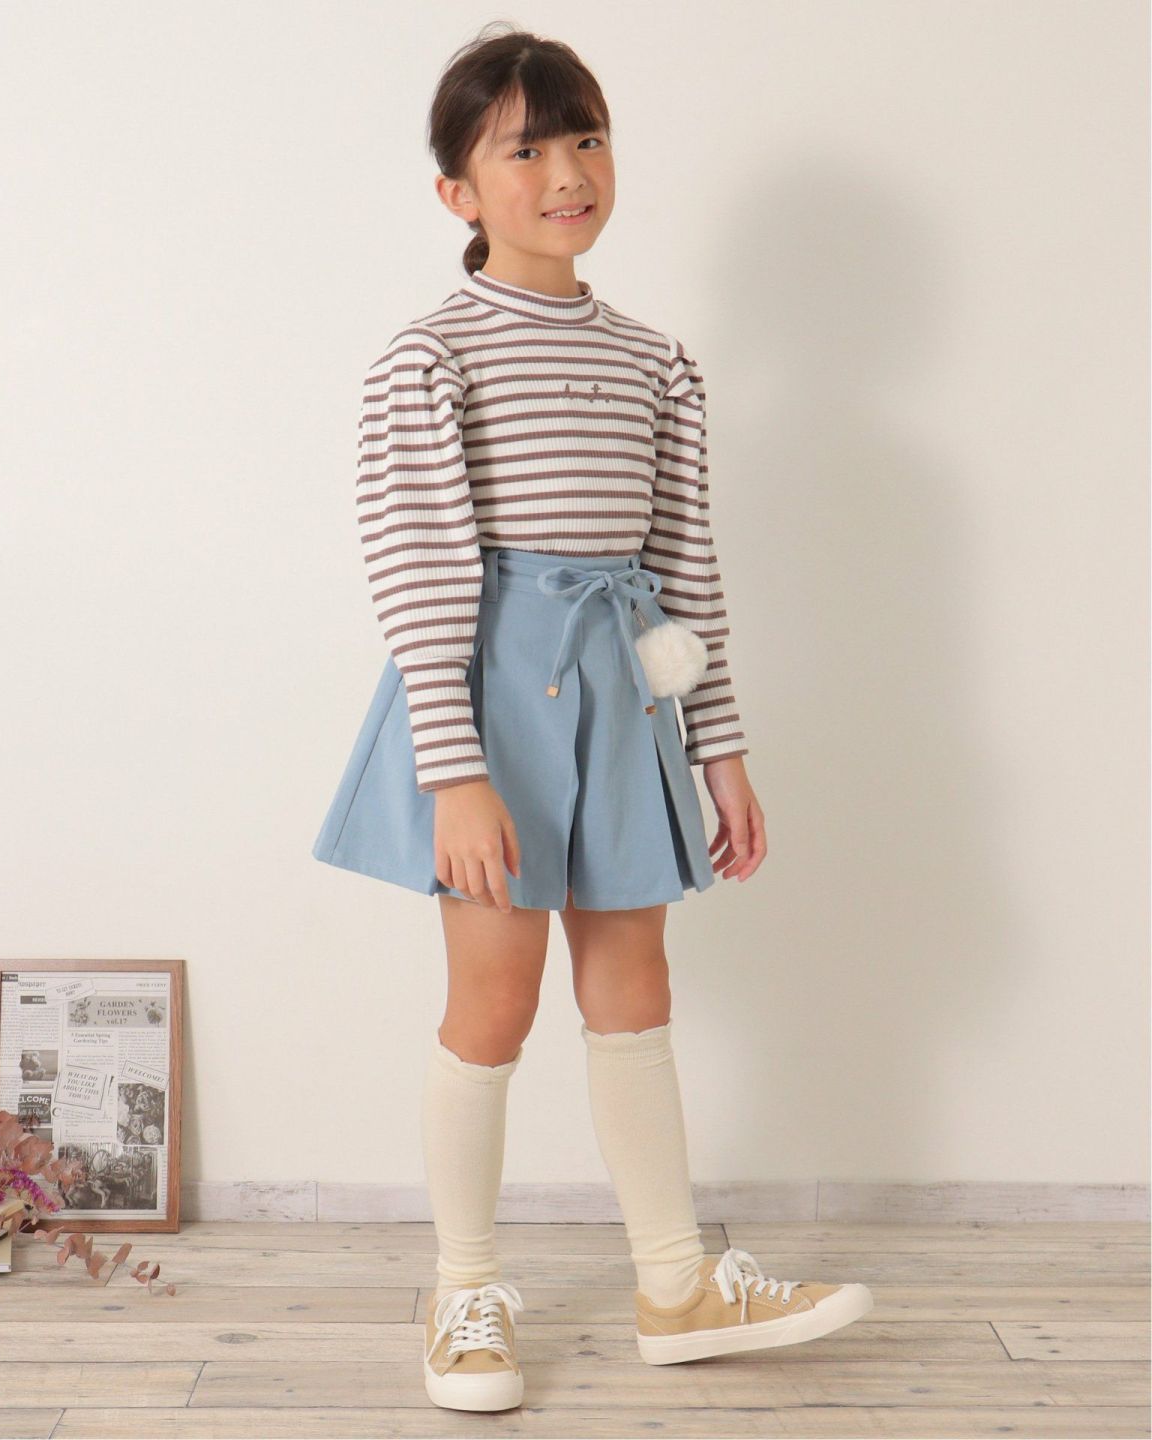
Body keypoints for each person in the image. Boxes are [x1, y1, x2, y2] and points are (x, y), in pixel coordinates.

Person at [312, 24, 873, 1414]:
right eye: (527, 149)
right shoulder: (428, 357)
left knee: (636, 990)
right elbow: (419, 571)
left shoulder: (656, 361)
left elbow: (683, 571)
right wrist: (455, 773)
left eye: (587, 140)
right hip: (490, 702)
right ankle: (462, 1292)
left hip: (624, 702)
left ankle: (676, 1283)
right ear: (458, 190)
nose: (567, 172)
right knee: (493, 1000)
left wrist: (720, 749)